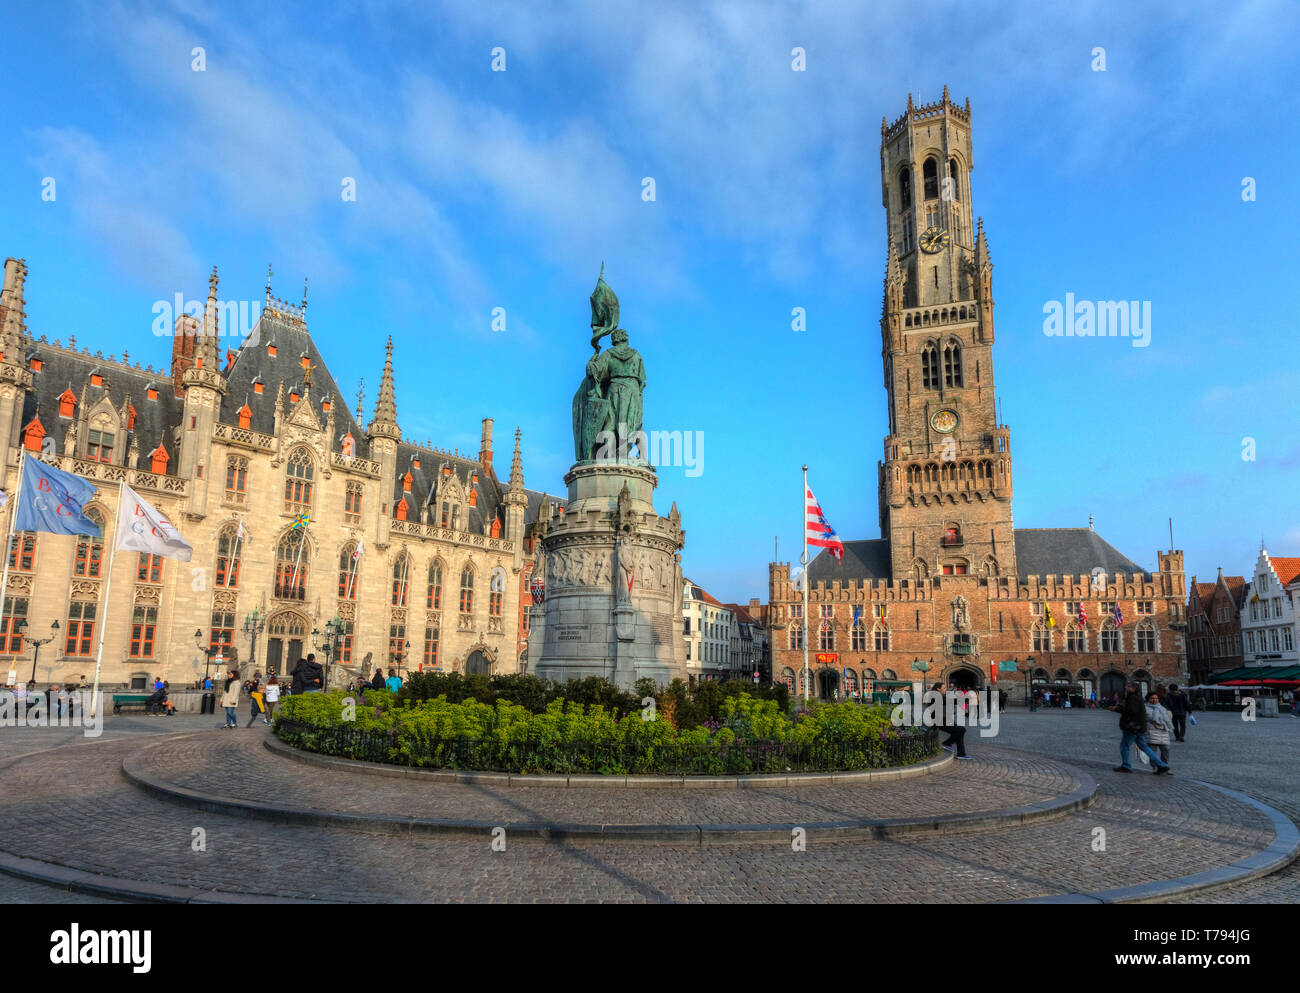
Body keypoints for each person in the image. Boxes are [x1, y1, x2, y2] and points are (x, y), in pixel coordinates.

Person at [1112, 681, 1169, 774]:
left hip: (1132, 727)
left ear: (1133, 689)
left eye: (1128, 686)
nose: (1126, 688)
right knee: (1144, 747)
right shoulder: (1136, 697)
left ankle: (1126, 766)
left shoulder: (1132, 698)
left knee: (1125, 746)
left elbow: (1132, 711)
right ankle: (1162, 765)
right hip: (1139, 727)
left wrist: (1117, 709)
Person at [933, 682, 971, 760]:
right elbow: (949, 701)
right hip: (940, 720)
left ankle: (961, 754)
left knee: (959, 732)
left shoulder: (941, 695)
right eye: (944, 688)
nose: (946, 689)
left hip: (947, 719)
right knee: (961, 730)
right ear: (938, 689)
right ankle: (947, 743)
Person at [1144, 691, 1174, 767]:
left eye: (1156, 698)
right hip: (1151, 732)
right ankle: (1155, 767)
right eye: (1152, 698)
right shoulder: (1145, 708)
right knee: (1153, 752)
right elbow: (1151, 718)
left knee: (1166, 750)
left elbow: (1168, 719)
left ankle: (1164, 766)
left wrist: (1168, 716)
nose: (1154, 700)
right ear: (1148, 699)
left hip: (1163, 732)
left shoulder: (1162, 708)